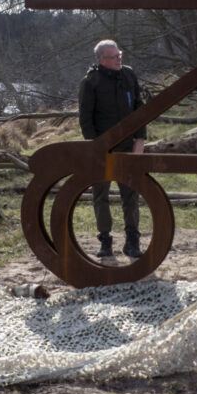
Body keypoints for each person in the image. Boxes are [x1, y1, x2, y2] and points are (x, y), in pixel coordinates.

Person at [79, 39, 146, 258]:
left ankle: (132, 241)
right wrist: (96, 147)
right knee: (101, 196)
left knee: (131, 194)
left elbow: (139, 108)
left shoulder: (128, 75)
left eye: (120, 55)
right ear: (101, 59)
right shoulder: (90, 82)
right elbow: (86, 120)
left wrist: (140, 139)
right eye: (113, 57)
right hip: (101, 149)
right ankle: (105, 241)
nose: (119, 59)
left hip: (128, 146)